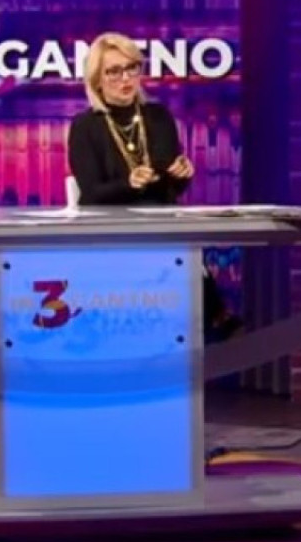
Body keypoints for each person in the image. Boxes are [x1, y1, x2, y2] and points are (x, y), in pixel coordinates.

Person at [65, 31, 243, 342]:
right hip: (108, 229)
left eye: (131, 68)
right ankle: (214, 316)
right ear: (97, 80)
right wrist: (129, 184)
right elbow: (91, 193)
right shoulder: (85, 126)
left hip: (159, 222)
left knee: (177, 242)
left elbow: (169, 190)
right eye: (114, 71)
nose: (125, 79)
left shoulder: (158, 117)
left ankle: (207, 326)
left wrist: (181, 174)